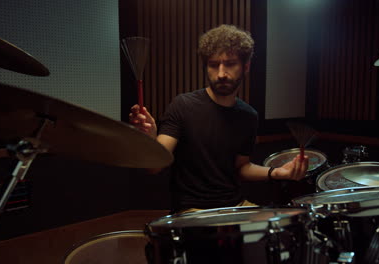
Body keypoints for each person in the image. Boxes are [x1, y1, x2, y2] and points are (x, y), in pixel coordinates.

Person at [129, 24, 308, 214]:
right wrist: (150, 138)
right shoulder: (183, 106)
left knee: (281, 226)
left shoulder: (248, 116)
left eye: (230, 64)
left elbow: (242, 167)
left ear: (245, 67)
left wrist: (277, 172)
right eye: (214, 65)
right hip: (192, 210)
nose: (221, 74)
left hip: (235, 204)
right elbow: (154, 168)